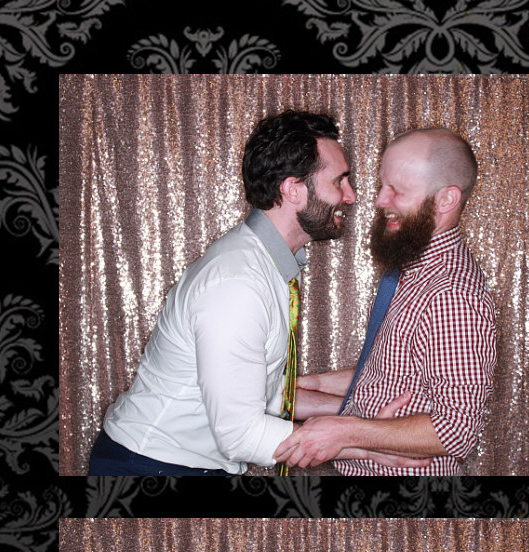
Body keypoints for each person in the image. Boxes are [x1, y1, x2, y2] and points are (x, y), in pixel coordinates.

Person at [88, 109, 355, 477]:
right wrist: (361, 442)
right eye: (340, 181)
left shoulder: (264, 265)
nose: (351, 196)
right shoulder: (238, 283)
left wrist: (353, 413)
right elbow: (241, 434)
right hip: (150, 466)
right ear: (293, 189)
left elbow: (260, 390)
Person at [275, 126, 496, 476]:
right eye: (382, 185)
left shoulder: (451, 294)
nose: (379, 200)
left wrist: (345, 431)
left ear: (446, 200)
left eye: (397, 190)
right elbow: (398, 373)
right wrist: (313, 383)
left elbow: (457, 430)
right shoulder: (413, 268)